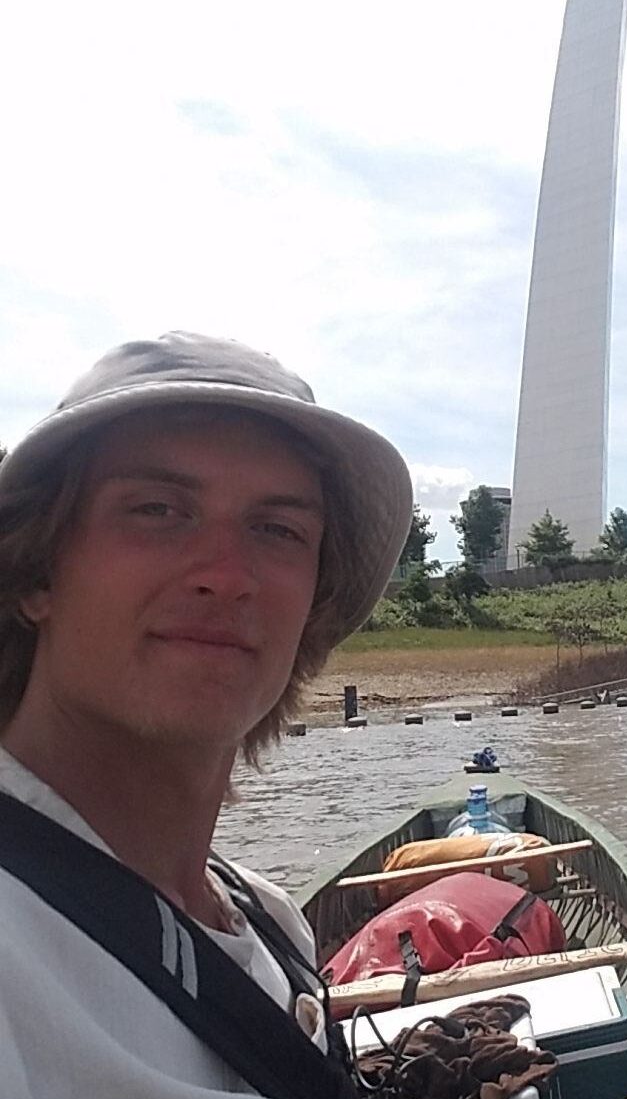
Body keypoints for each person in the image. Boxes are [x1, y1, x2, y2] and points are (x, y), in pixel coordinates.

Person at [0, 331, 413, 1097]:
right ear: (35, 572)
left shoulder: (271, 923)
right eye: (157, 509)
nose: (227, 576)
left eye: (277, 529)